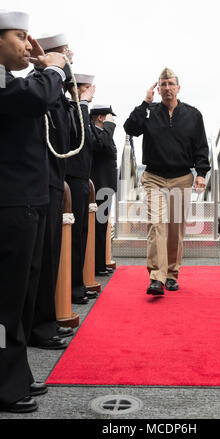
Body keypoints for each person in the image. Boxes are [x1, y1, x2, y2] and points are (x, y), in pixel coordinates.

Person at [0, 10, 66, 412]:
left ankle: (16, 373)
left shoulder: (11, 79)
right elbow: (36, 96)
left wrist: (45, 68)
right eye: (21, 36)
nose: (28, 45)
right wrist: (54, 68)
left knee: (22, 298)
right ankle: (5, 385)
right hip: (9, 202)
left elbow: (38, 96)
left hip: (27, 200)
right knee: (6, 302)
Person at [124, 68, 210, 295]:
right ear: (158, 88)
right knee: (156, 224)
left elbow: (201, 146)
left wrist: (201, 173)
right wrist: (144, 103)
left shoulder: (193, 115)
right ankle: (156, 277)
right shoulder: (149, 112)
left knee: (175, 229)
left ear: (178, 88)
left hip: (182, 178)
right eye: (163, 84)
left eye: (171, 84)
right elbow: (129, 128)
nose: (167, 88)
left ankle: (172, 274)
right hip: (153, 178)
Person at [28, 32, 76, 350]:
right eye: (66, 54)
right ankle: (37, 326)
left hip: (54, 180)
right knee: (38, 259)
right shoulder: (38, 86)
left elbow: (69, 138)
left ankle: (45, 321)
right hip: (39, 182)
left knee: (50, 256)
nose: (70, 60)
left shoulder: (58, 91)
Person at [65, 73, 97, 304]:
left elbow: (92, 143)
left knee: (82, 236)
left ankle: (78, 284)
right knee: (74, 237)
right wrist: (83, 104)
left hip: (82, 180)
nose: (91, 92)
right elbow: (80, 138)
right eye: (87, 88)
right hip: (72, 178)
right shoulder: (72, 109)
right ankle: (73, 287)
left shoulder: (80, 111)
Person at [89, 104, 118, 276]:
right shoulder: (97, 133)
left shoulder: (102, 134)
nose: (112, 119)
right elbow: (104, 145)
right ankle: (97, 265)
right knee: (98, 227)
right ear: (101, 118)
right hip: (100, 187)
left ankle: (99, 263)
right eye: (109, 116)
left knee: (101, 227)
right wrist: (109, 126)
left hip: (104, 187)